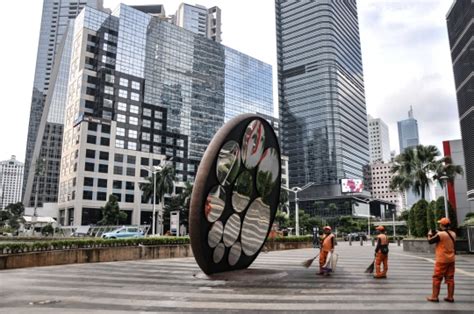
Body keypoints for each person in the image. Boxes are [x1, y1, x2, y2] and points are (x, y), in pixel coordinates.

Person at [426, 217, 456, 303]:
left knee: (437, 278)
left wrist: (429, 234)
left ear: (442, 225)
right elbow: (445, 236)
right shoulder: (453, 233)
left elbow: (430, 241)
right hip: (451, 259)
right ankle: (450, 297)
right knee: (450, 278)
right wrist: (438, 232)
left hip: (442, 260)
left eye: (440, 223)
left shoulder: (441, 234)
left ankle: (434, 297)